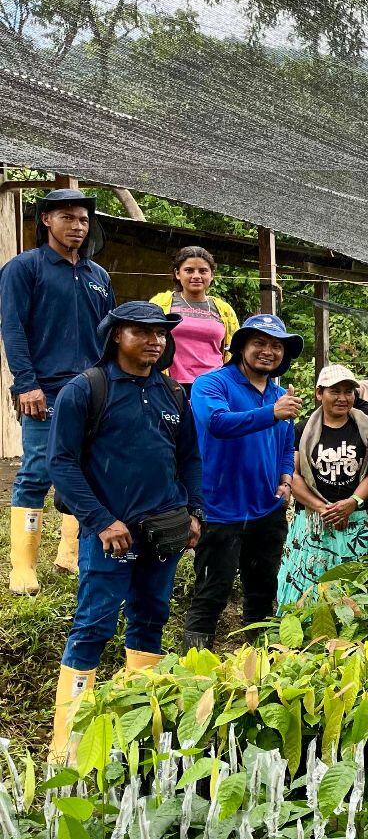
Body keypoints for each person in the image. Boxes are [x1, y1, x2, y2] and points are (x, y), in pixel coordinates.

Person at [46, 302, 201, 761]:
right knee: (93, 626)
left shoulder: (173, 393)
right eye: (142, 332)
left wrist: (194, 513)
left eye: (161, 333)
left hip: (163, 533)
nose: (155, 340)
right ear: (116, 335)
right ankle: (67, 742)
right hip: (110, 535)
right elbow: (62, 464)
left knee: (151, 619)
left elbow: (190, 458)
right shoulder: (85, 390)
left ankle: (135, 728)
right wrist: (101, 521)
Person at [3, 189, 116, 594]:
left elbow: (110, 336)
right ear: (46, 220)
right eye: (67, 217)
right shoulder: (24, 267)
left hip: (92, 390)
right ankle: (22, 567)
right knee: (38, 470)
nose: (77, 226)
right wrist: (26, 384)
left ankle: (70, 554)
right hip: (44, 390)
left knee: (87, 470)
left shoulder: (98, 276)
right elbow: (13, 328)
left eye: (84, 220)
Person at [184, 314, 301, 649]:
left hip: (267, 509)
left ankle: (261, 663)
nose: (268, 351)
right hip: (220, 509)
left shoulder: (278, 395)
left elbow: (286, 444)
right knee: (212, 592)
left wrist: (286, 477)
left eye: (276, 346)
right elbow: (217, 423)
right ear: (241, 347)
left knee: (262, 593)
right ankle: (193, 666)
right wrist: (272, 413)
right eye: (259, 343)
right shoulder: (212, 384)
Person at [277, 364, 368, 608]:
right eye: (335, 391)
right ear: (319, 393)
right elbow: (293, 474)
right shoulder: (302, 430)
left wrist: (352, 503)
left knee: (355, 590)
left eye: (348, 391)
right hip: (314, 521)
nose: (342, 398)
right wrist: (323, 509)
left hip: (358, 521)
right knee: (307, 589)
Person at [150, 246, 240, 390]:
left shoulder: (225, 310)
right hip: (169, 385)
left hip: (215, 386)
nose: (196, 276)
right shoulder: (160, 303)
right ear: (177, 273)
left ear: (212, 275)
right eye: (189, 270)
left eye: (203, 271)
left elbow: (236, 350)